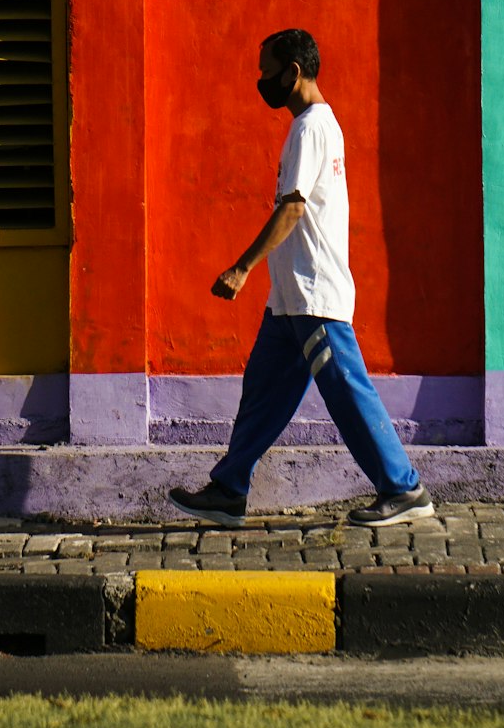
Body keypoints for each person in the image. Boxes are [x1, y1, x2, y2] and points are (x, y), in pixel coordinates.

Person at [169, 28, 434, 528]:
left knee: (348, 392)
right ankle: (229, 489)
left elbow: (293, 207)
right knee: (262, 395)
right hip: (289, 301)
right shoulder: (312, 127)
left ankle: (404, 488)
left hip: (314, 297)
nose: (261, 80)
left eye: (267, 70)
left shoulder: (311, 127)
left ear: (293, 72)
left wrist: (242, 267)